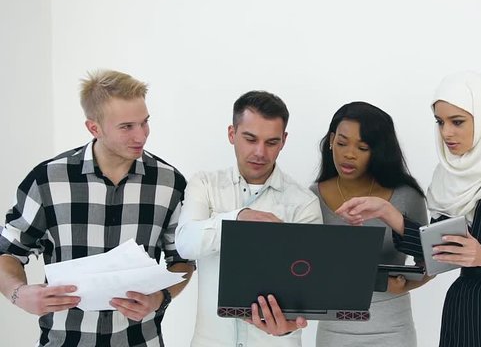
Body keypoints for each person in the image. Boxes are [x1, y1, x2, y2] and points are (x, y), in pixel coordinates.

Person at [336, 72, 481, 347]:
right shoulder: (448, 176)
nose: (446, 132)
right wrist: (388, 213)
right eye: (440, 122)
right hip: (467, 316)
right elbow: (442, 251)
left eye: (457, 121)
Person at [0, 70, 195, 346]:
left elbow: (183, 261)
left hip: (141, 340)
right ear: (94, 128)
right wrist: (18, 294)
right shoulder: (47, 180)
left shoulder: (170, 183)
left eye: (145, 122)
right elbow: (8, 250)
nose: (141, 135)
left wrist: (159, 298)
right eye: (127, 127)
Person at [175, 90, 323, 347]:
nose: (260, 152)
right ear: (232, 134)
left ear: (284, 141)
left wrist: (287, 329)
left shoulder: (304, 203)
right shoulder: (204, 184)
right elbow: (186, 242)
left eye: (271, 142)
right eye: (250, 138)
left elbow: (309, 286)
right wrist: (239, 219)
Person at [311, 101, 432, 347]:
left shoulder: (406, 196)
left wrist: (408, 284)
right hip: (334, 332)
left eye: (363, 147)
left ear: (378, 150)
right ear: (331, 140)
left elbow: (432, 261)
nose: (349, 154)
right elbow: (304, 270)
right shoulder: (311, 199)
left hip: (393, 330)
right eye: (342, 143)